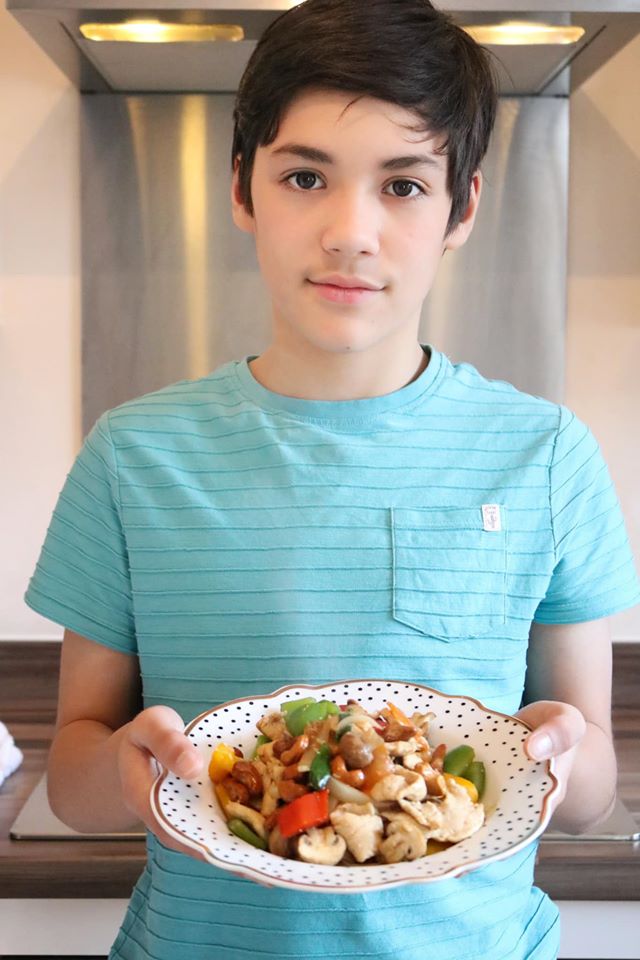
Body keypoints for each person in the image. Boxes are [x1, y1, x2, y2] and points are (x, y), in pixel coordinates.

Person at [25, 1, 639, 958]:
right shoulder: (132, 454)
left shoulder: (548, 454)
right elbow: (72, 776)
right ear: (242, 188)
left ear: (463, 208)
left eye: (403, 185)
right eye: (306, 177)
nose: (351, 231)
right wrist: (129, 771)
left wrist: (560, 751)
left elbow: (594, 793)